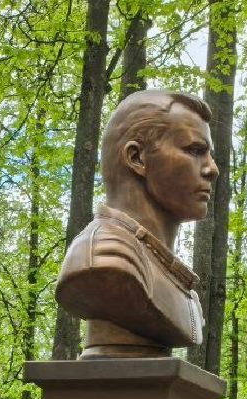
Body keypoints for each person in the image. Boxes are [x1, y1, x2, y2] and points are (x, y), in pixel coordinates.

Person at [56, 90, 218, 358]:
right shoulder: (103, 259)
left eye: (209, 154)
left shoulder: (174, 279)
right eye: (195, 150)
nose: (212, 169)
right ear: (137, 158)